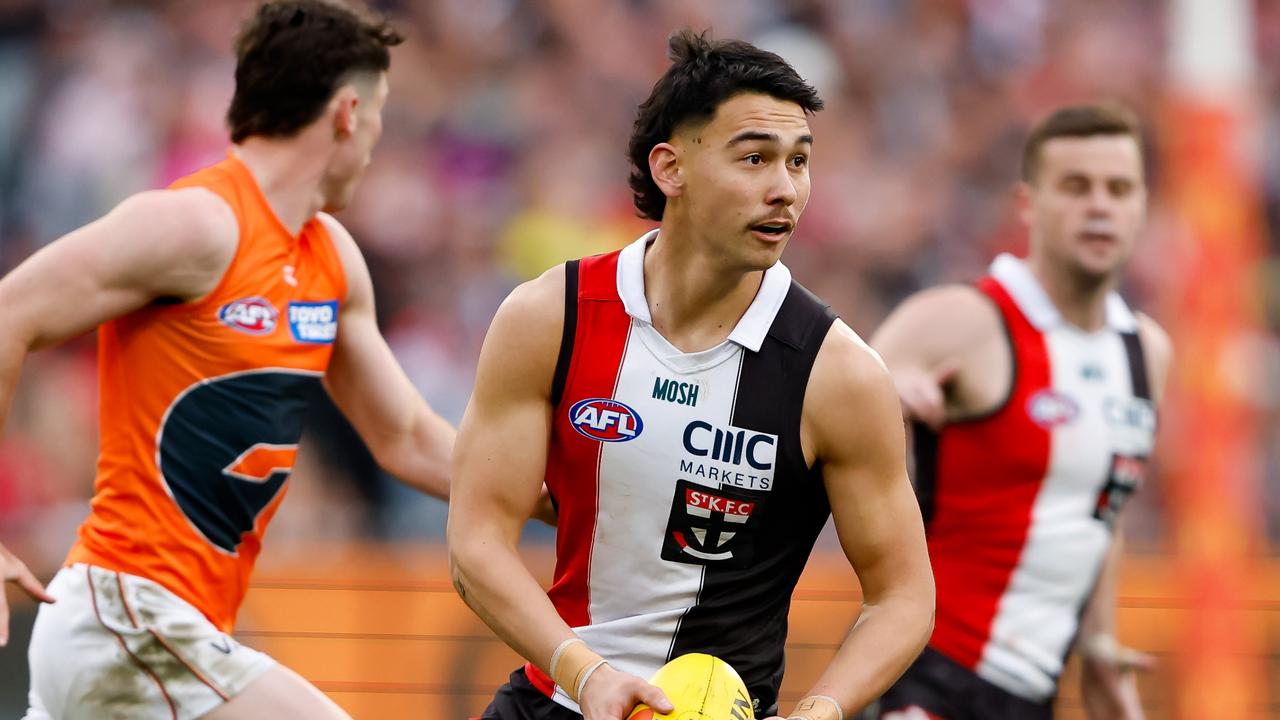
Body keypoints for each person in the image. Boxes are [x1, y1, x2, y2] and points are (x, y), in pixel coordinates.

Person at [447, 29, 936, 720]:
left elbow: (903, 595)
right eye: (755, 159)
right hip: (556, 699)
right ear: (670, 168)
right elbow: (476, 544)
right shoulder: (548, 318)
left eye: (799, 162)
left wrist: (821, 711)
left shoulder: (838, 374)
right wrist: (589, 677)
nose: (784, 190)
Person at [0, 2, 457, 718]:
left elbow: (409, 438)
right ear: (345, 112)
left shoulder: (332, 258)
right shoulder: (195, 224)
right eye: (378, 111)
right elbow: (7, 312)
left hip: (160, 638)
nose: (376, 137)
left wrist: (578, 499)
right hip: (127, 619)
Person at [869, 104, 1172, 720]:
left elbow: (1100, 512)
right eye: (1076, 186)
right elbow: (816, 412)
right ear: (1028, 203)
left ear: (1142, 204)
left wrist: (1098, 644)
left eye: (1119, 189)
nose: (1099, 206)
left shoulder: (1147, 352)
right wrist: (884, 397)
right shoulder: (964, 320)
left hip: (1035, 696)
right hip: (928, 674)